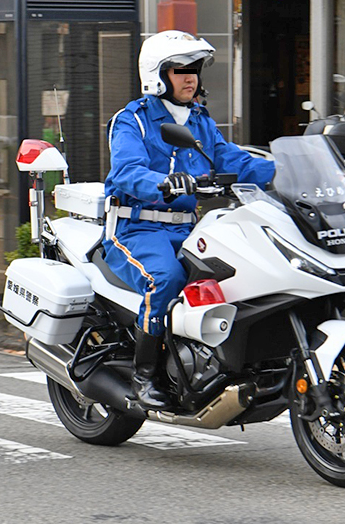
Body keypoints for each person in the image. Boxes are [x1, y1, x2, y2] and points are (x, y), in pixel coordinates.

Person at [104, 30, 274, 410]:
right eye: (180, 70)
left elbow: (233, 160)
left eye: (194, 70)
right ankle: (144, 376)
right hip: (136, 228)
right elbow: (126, 172)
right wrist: (163, 183)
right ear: (157, 74)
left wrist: (284, 172)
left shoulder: (200, 121)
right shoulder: (132, 120)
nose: (190, 78)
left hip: (186, 227)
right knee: (165, 279)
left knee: (236, 272)